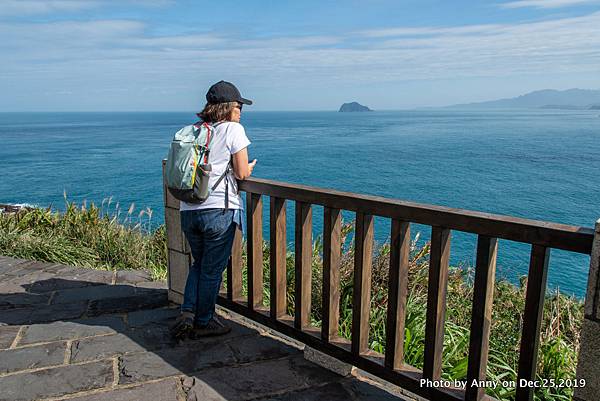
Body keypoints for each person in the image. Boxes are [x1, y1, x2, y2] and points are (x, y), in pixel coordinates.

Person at [170, 80, 257, 339]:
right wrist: (248, 170)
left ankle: (188, 312)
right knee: (211, 269)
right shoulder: (233, 130)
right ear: (229, 108)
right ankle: (204, 320)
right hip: (218, 210)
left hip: (189, 209)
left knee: (199, 264)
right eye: (239, 106)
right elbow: (241, 172)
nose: (241, 110)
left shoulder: (194, 129)